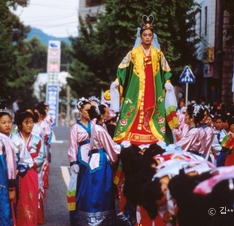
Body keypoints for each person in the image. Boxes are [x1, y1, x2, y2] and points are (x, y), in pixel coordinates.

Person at [110, 15, 178, 145]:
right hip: (136, 90)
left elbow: (165, 72)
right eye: (145, 35)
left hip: (153, 89)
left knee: (153, 107)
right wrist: (118, 80)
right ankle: (134, 133)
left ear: (153, 37)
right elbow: (123, 68)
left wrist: (168, 83)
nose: (147, 37)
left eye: (149, 35)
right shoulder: (133, 53)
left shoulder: (158, 54)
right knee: (135, 107)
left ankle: (153, 133)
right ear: (140, 36)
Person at [75, 104, 127, 225]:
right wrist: (123, 146)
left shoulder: (95, 126)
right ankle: (100, 220)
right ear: (101, 115)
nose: (108, 114)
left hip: (93, 159)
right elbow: (111, 147)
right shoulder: (100, 129)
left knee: (93, 188)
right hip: (101, 160)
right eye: (106, 112)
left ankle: (90, 218)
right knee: (101, 189)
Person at [12, 112, 46, 226]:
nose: (30, 125)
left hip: (31, 172)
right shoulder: (13, 138)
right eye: (26, 122)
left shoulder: (37, 139)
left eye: (31, 122)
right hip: (17, 172)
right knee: (17, 199)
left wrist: (30, 165)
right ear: (20, 124)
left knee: (31, 199)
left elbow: (42, 156)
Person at [67, 98, 92, 225]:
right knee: (79, 189)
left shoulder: (96, 125)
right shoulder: (75, 128)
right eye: (87, 110)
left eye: (91, 110)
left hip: (95, 161)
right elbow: (72, 147)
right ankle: (77, 217)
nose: (90, 112)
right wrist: (73, 162)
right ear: (80, 111)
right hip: (81, 161)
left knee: (91, 189)